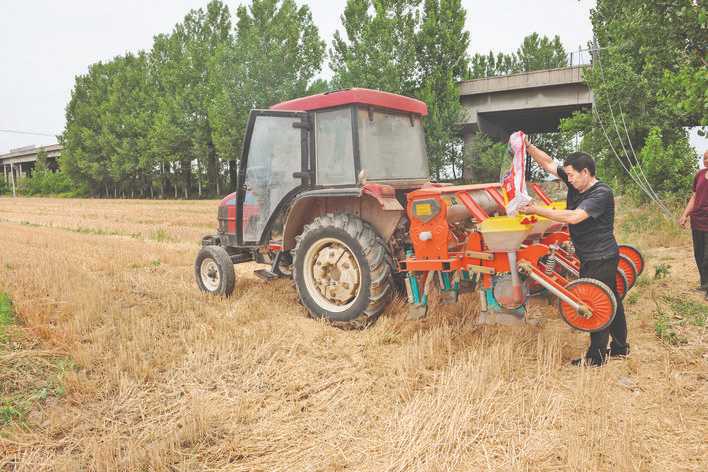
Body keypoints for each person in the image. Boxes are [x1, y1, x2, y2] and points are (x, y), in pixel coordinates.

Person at [519, 137, 628, 367]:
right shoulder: (575, 182)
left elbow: (574, 217)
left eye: (571, 175)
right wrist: (528, 147)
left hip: (601, 256)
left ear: (585, 172)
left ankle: (596, 358)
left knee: (595, 302)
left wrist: (536, 209)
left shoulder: (600, 193)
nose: (567, 179)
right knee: (611, 299)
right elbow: (548, 164)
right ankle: (620, 348)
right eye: (567, 175)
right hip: (593, 255)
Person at [679, 150, 708, 299]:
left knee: (707, 257)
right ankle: (704, 283)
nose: (706, 160)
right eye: (704, 158)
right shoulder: (700, 175)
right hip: (697, 221)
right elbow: (695, 197)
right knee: (699, 253)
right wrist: (685, 215)